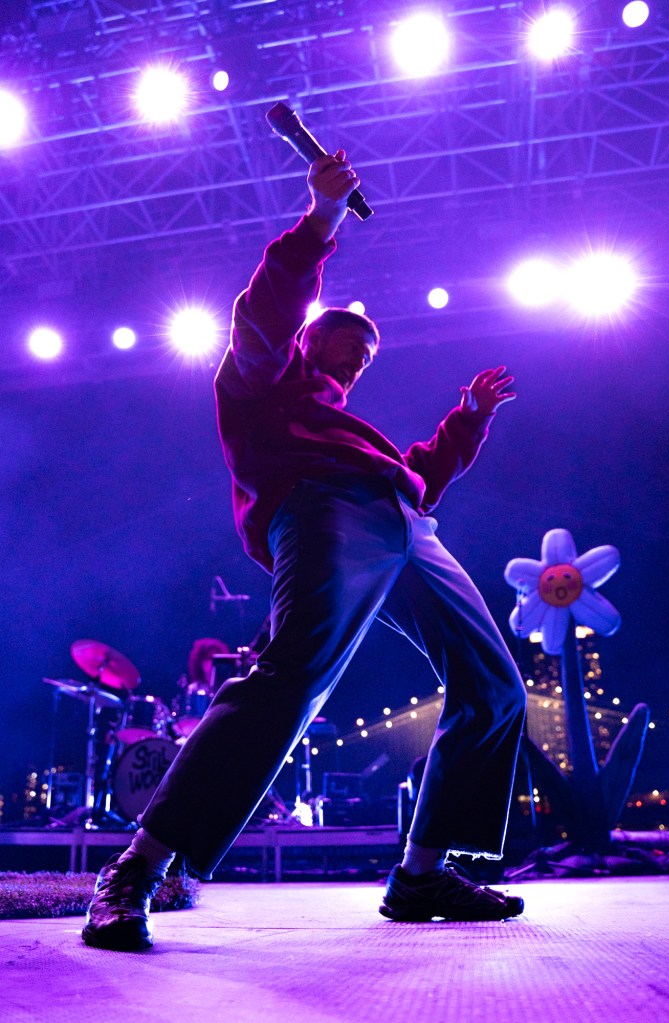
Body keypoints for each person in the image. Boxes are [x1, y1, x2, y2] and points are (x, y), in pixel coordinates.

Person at [82, 150, 527, 951]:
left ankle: (422, 874)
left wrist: (467, 419)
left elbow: (420, 477)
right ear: (309, 340)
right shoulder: (263, 382)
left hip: (406, 521)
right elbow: (265, 316)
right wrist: (321, 219)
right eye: (347, 342)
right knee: (291, 676)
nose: (359, 357)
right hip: (324, 507)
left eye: (368, 354)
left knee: (495, 686)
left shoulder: (359, 432)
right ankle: (137, 867)